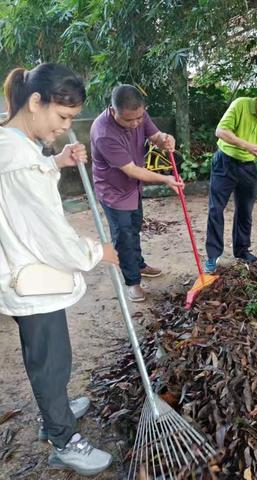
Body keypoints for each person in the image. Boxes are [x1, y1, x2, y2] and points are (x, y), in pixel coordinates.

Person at [0, 63, 118, 476]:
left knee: (49, 356)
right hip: (31, 278)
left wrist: (56, 162)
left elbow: (24, 191)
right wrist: (95, 252)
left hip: (24, 272)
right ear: (36, 102)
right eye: (63, 117)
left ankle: (56, 409)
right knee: (51, 361)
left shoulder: (14, 144)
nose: (67, 127)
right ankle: (62, 438)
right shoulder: (19, 158)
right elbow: (52, 233)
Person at [90, 85, 184, 302]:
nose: (135, 124)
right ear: (113, 111)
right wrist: (165, 178)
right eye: (128, 120)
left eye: (138, 118)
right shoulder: (103, 132)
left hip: (133, 187)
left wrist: (165, 139)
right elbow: (131, 169)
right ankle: (132, 282)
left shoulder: (139, 115)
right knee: (123, 236)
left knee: (134, 226)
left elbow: (155, 136)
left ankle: (139, 264)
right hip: (113, 191)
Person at [204, 84, 257, 273]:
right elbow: (220, 131)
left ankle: (242, 250)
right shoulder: (240, 104)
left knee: (245, 211)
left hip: (248, 167)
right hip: (224, 162)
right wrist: (246, 145)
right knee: (216, 209)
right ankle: (213, 255)